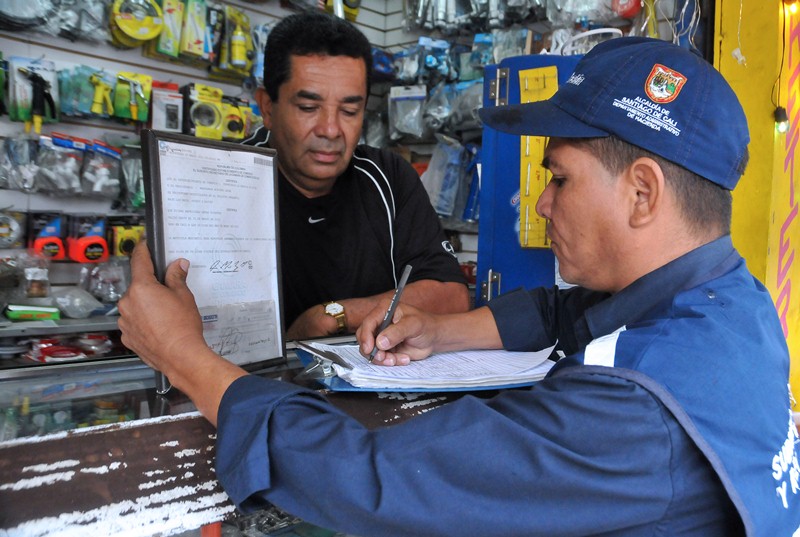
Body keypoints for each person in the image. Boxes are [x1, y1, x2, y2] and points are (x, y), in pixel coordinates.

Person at [118, 37, 800, 536]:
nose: (541, 203)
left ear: (642, 192)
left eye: (559, 178)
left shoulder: (630, 415)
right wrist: (441, 330)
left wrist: (186, 356)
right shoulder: (732, 301)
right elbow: (565, 314)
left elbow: (373, 478)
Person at [242, 11, 469, 339]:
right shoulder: (222, 181)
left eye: (349, 111)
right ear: (267, 107)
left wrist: (332, 315)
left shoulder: (388, 177)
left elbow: (452, 295)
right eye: (308, 108)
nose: (331, 130)